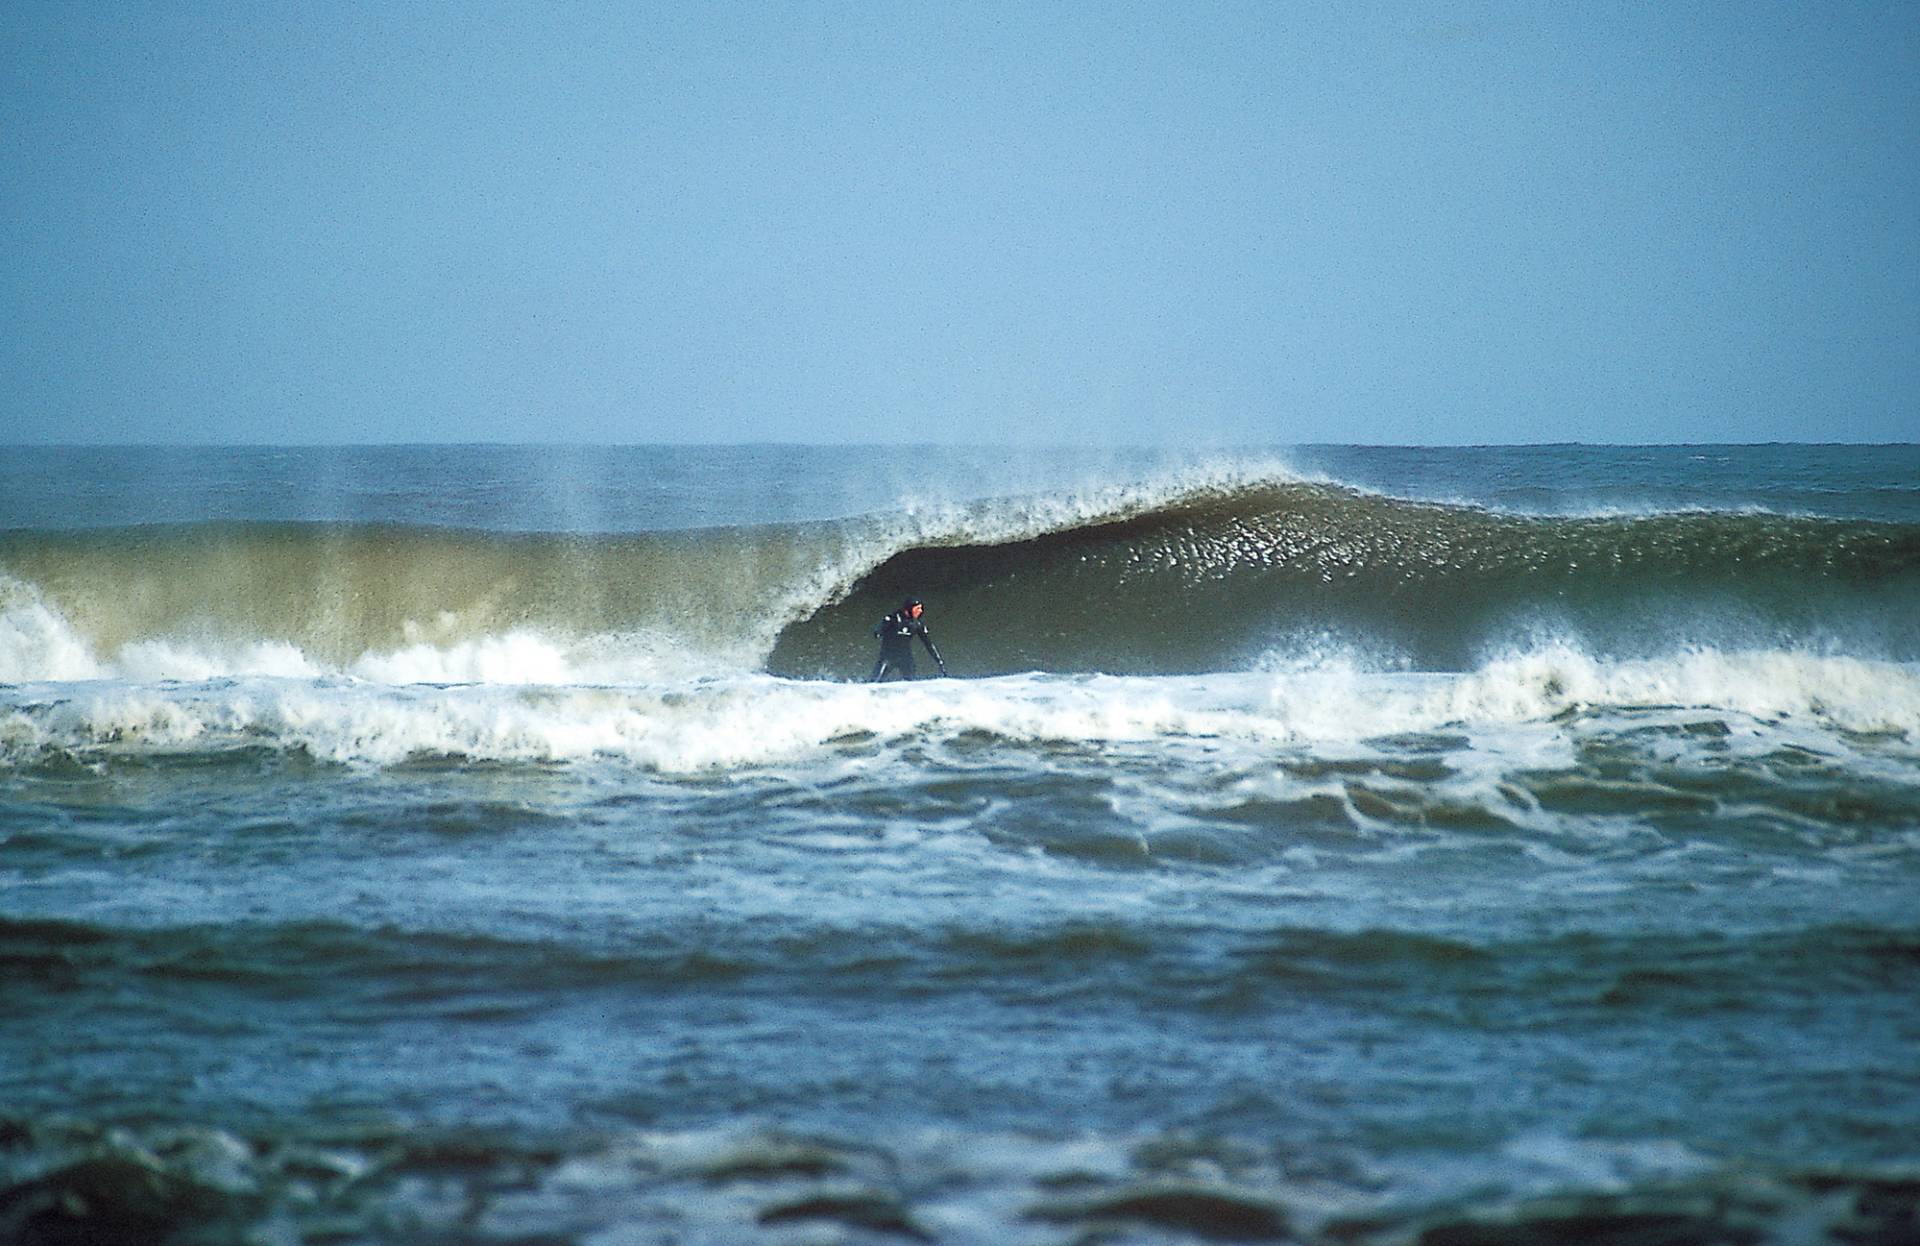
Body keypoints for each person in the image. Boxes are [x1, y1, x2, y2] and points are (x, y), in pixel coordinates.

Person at [871, 596, 947, 682]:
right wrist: (878, 632)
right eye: (918, 608)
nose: (921, 611)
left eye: (921, 608)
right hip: (888, 657)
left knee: (912, 684)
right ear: (908, 608)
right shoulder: (893, 618)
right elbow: (879, 629)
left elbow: (928, 643)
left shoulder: (916, 624)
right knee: (874, 683)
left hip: (905, 658)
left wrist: (939, 661)